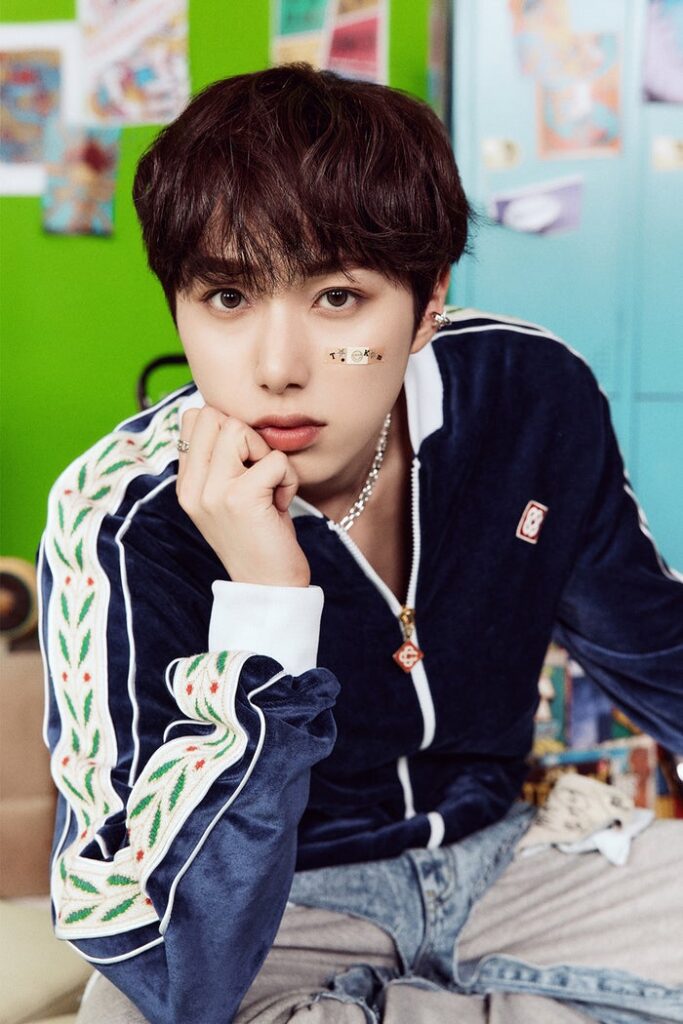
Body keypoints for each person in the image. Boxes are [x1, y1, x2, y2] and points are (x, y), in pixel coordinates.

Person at [38, 64, 683, 1024]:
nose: (277, 368)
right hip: (282, 912)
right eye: (227, 297)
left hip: (516, 870)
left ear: (427, 303)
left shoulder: (527, 393)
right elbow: (175, 963)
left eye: (337, 298)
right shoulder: (120, 518)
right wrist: (264, 611)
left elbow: (657, 651)